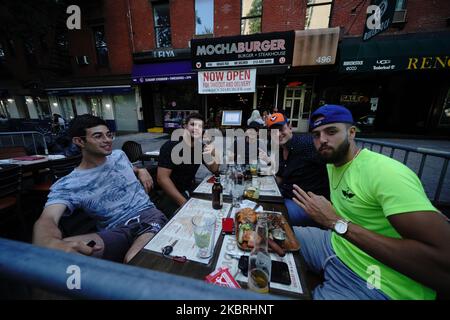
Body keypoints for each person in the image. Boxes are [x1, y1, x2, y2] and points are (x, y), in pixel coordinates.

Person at [292, 104, 450, 299]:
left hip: (381, 282)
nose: (322, 140)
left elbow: (443, 259)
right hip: (336, 246)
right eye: (316, 135)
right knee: (269, 234)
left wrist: (336, 222)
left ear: (351, 133)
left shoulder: (385, 172)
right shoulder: (333, 162)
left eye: (331, 131)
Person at [33, 114, 167, 263]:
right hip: (115, 232)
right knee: (59, 255)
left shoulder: (119, 156)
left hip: (148, 216)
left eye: (109, 135)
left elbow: (127, 168)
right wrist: (49, 242)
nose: (107, 140)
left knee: (134, 259)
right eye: (98, 136)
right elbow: (47, 219)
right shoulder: (68, 184)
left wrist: (140, 170)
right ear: (79, 141)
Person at [262, 113, 329, 226]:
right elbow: (281, 177)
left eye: (281, 129)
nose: (278, 134)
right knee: (256, 203)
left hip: (305, 205)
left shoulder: (308, 144)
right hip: (286, 195)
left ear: (290, 127)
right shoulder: (279, 149)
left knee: (265, 218)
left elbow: (334, 161)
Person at [156, 112, 219, 218]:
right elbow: (162, 179)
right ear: (185, 126)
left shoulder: (200, 147)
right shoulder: (170, 146)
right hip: (168, 195)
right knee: (188, 220)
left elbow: (214, 169)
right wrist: (184, 204)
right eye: (193, 124)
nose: (196, 128)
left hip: (189, 191)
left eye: (200, 126)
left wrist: (213, 153)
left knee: (212, 211)